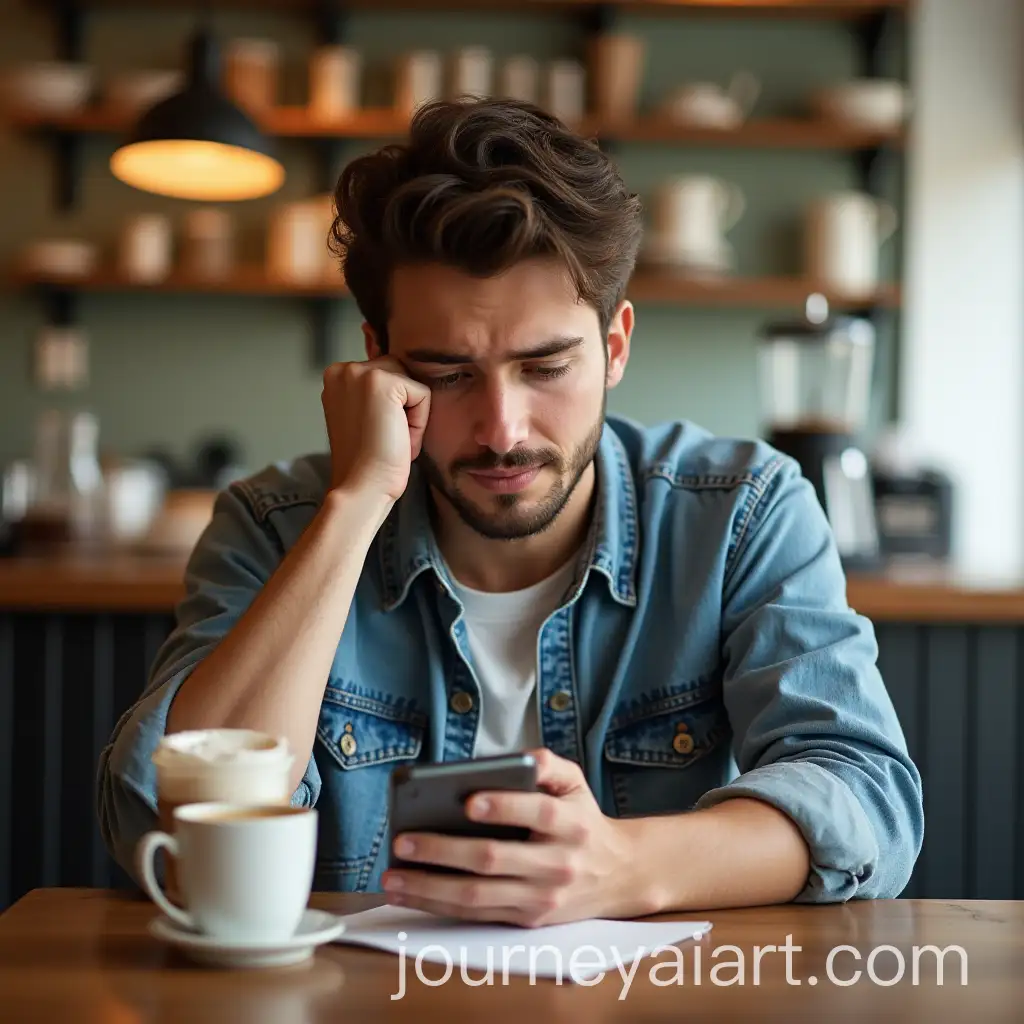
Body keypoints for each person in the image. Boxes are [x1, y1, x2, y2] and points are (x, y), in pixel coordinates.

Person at [97, 98, 923, 927]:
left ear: (615, 346)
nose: (502, 430)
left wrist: (622, 866)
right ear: (378, 362)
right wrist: (354, 507)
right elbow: (159, 817)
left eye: (546, 367)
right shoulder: (276, 525)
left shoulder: (742, 515)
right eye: (449, 374)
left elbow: (866, 797)